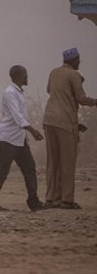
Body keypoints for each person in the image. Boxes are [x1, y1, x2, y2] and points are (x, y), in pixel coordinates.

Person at [42, 48, 96, 209]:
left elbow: (50, 90)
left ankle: (51, 198)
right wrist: (95, 102)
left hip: (49, 120)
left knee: (53, 162)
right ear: (72, 60)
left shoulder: (53, 72)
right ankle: (67, 200)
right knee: (67, 161)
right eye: (78, 59)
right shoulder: (74, 75)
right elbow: (81, 98)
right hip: (65, 123)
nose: (79, 62)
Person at [0, 65, 46, 212]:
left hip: (20, 139)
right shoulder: (10, 92)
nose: (27, 77)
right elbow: (17, 116)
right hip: (7, 138)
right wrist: (32, 130)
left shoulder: (20, 92)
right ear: (18, 75)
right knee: (2, 171)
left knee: (29, 168)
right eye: (25, 74)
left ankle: (33, 201)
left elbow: (21, 116)